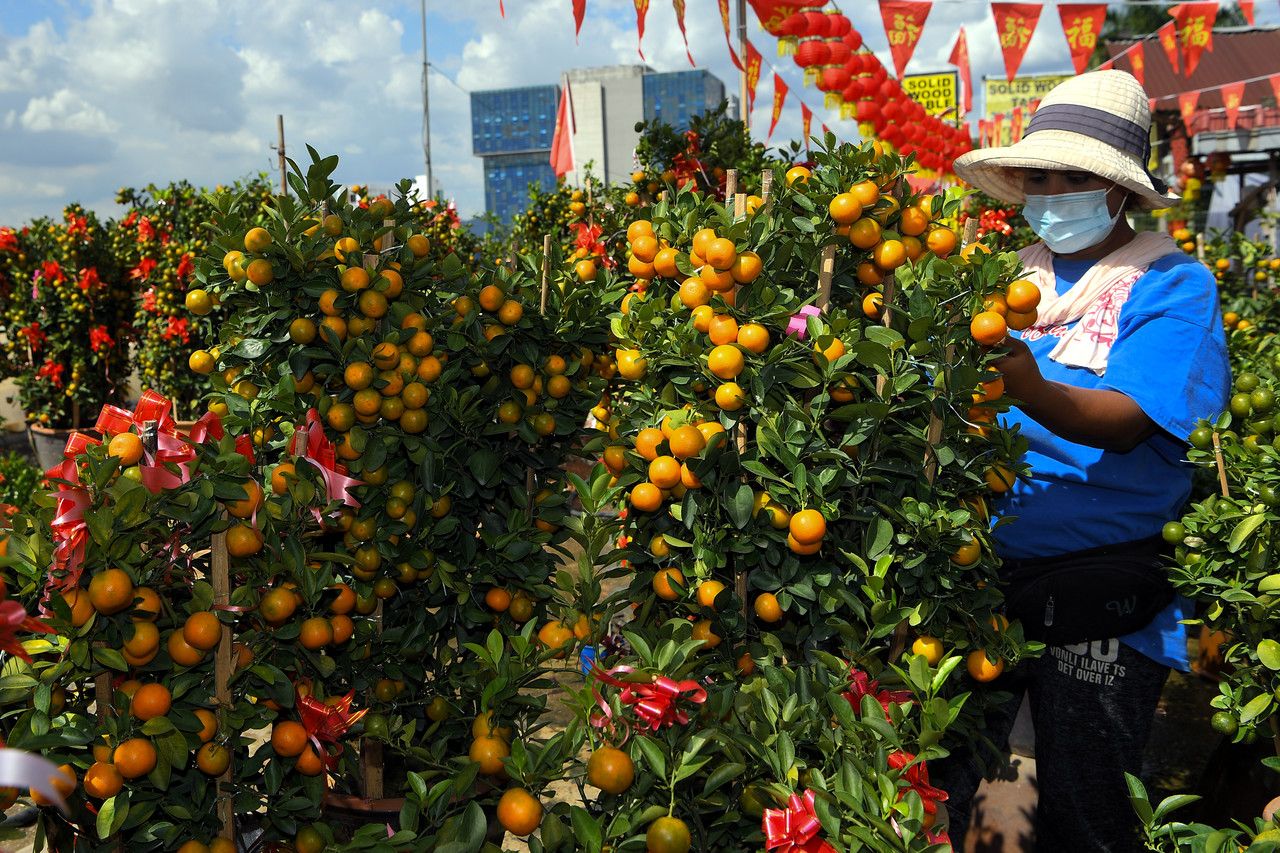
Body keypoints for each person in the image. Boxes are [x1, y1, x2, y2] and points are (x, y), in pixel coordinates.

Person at [938, 70, 1231, 851]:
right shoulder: (1003, 278)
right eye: (1041, 175)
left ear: (1120, 191)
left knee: (1086, 806)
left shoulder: (1172, 284)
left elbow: (1131, 420)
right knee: (940, 777)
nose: (1054, 190)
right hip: (981, 579)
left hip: (1100, 588)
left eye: (1077, 176)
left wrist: (1028, 385)